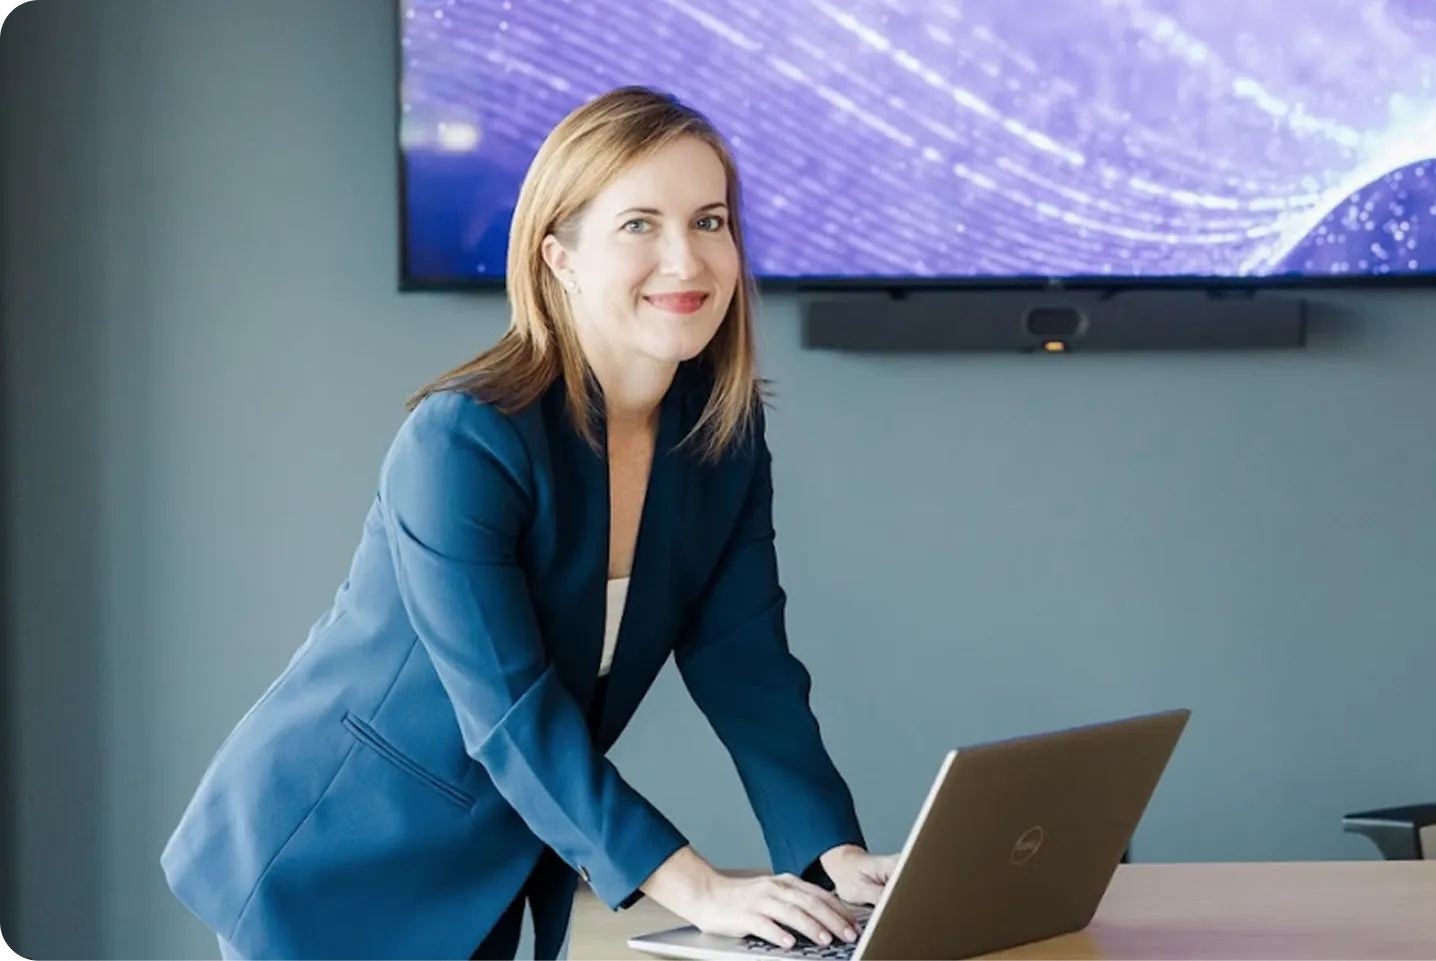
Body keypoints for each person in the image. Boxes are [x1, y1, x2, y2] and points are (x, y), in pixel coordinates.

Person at [160, 86, 897, 961]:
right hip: (331, 855)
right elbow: (512, 711)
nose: (687, 259)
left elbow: (748, 661)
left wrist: (827, 852)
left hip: (498, 855)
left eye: (709, 221)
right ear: (560, 256)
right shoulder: (463, 438)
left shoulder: (719, 436)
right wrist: (697, 887)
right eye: (639, 224)